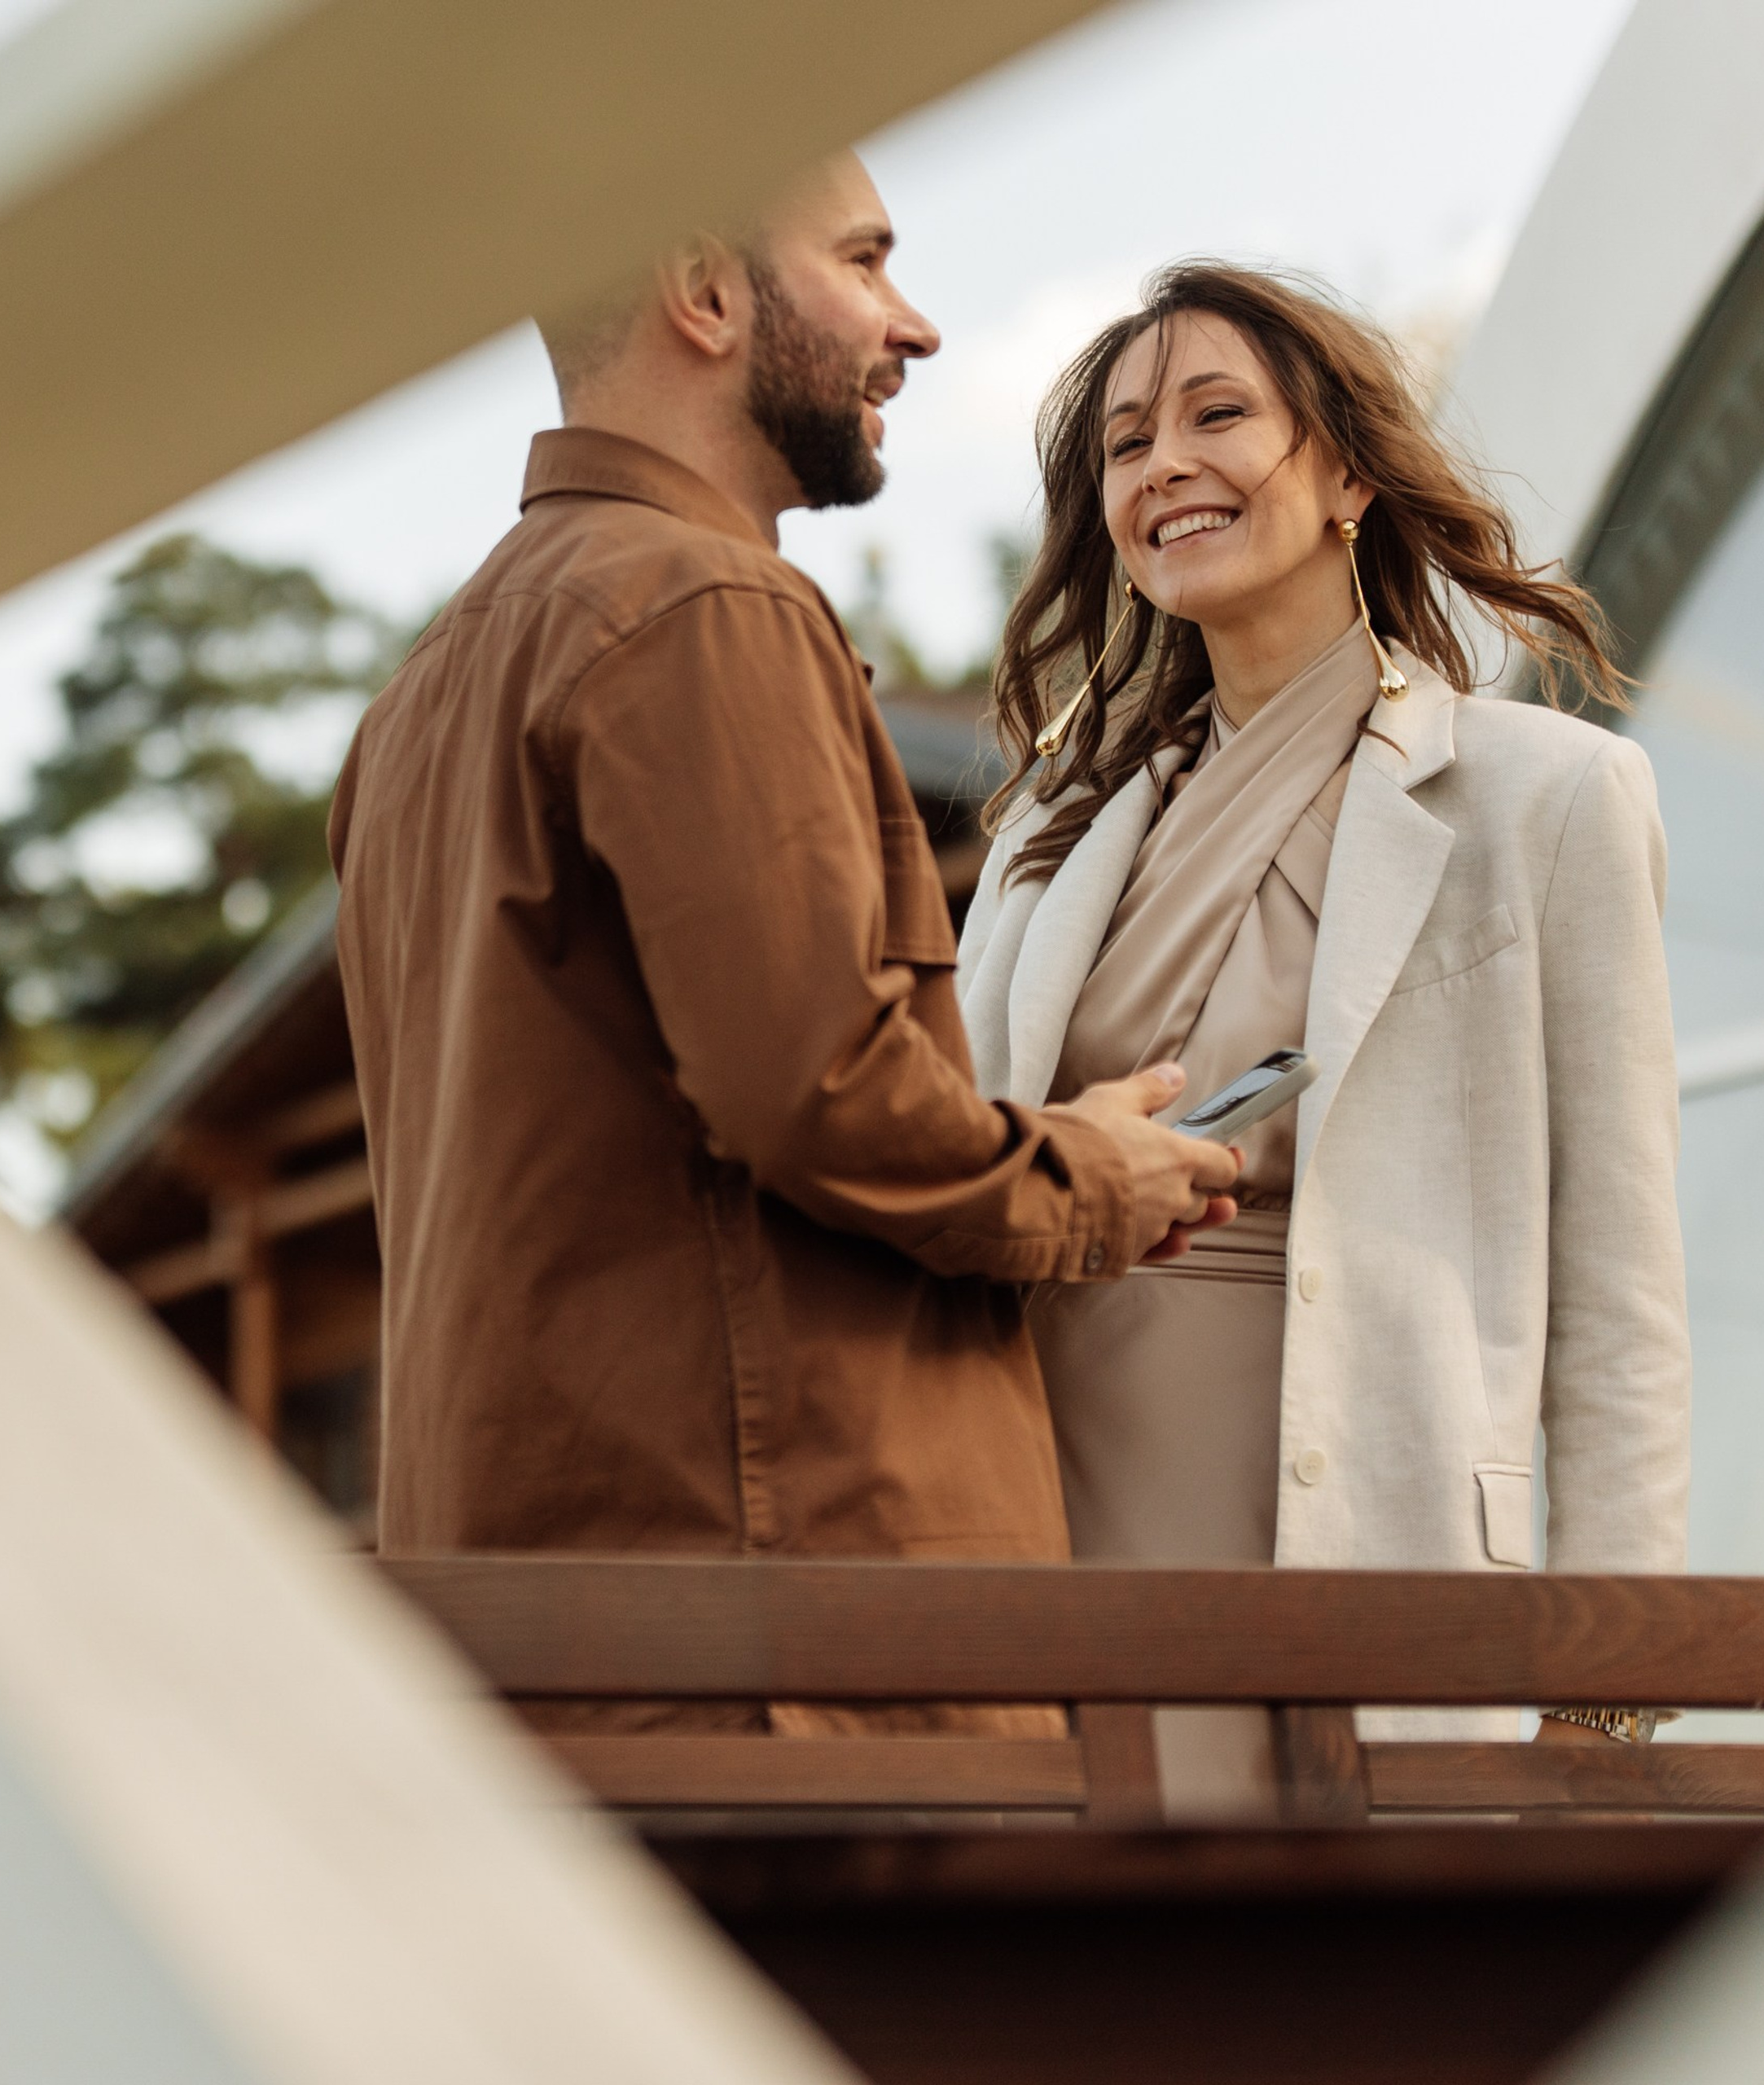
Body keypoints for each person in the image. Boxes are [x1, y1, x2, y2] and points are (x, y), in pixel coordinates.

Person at [326, 158, 1240, 1735]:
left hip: (558, 1660)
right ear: (703, 290)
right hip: (795, 1664)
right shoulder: (703, 607)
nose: (915, 327)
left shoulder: (416, 700)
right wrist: (1093, 1171)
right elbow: (820, 1091)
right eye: (864, 263)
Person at [958, 261, 1689, 1796]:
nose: (1166, 467)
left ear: (1348, 468)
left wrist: (1614, 1699)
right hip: (1044, 1492)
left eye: (1219, 415)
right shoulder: (1043, 835)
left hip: (1372, 1498)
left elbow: (1619, 1294)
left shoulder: (1546, 797)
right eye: (1126, 446)